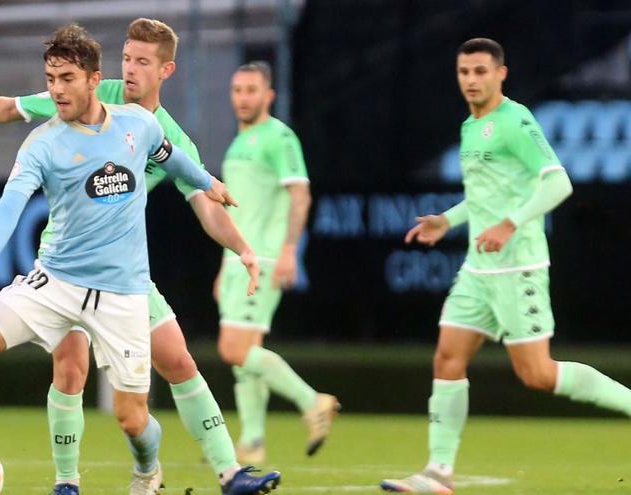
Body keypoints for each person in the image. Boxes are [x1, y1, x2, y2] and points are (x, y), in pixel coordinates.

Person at [0, 23, 244, 495]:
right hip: (56, 280)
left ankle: (149, 468)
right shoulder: (43, 142)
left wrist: (210, 184)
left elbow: (174, 158)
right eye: (51, 79)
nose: (56, 89)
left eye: (66, 79)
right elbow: (7, 209)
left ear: (91, 79)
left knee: (132, 418)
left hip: (123, 292)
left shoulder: (139, 125)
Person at [380, 38, 631, 494]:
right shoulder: (469, 127)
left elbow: (559, 183)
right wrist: (447, 220)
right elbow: (482, 197)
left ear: (501, 74)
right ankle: (437, 473)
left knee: (536, 374)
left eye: (480, 71)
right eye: (464, 72)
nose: (471, 80)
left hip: (519, 268)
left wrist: (510, 225)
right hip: (478, 270)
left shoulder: (514, 121)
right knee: (448, 359)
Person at [214, 61, 339, 465]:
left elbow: (300, 196)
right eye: (237, 90)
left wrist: (289, 250)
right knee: (245, 356)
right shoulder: (238, 143)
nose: (243, 98)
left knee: (233, 349)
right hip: (238, 260)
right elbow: (236, 212)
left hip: (263, 258)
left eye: (251, 90)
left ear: (269, 95)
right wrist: (223, 264)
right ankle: (251, 442)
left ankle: (313, 401)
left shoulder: (278, 137)